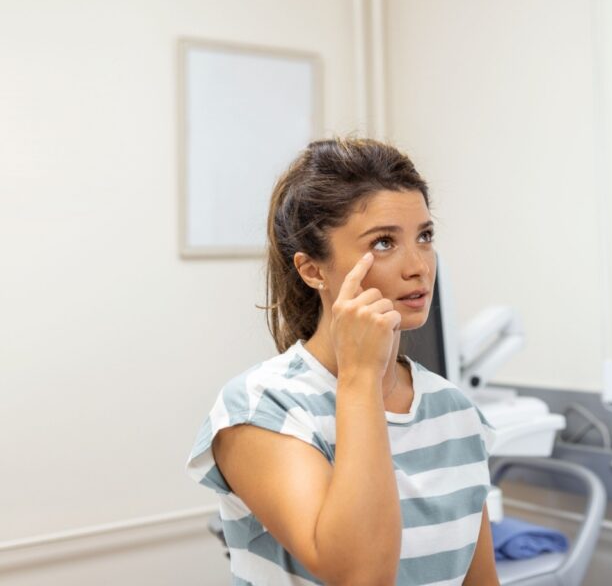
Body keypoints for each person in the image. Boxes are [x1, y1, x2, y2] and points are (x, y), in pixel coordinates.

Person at [187, 138, 500, 585]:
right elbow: (360, 576)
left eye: (425, 237)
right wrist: (359, 379)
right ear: (313, 270)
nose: (418, 266)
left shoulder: (454, 410)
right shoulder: (261, 408)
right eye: (384, 243)